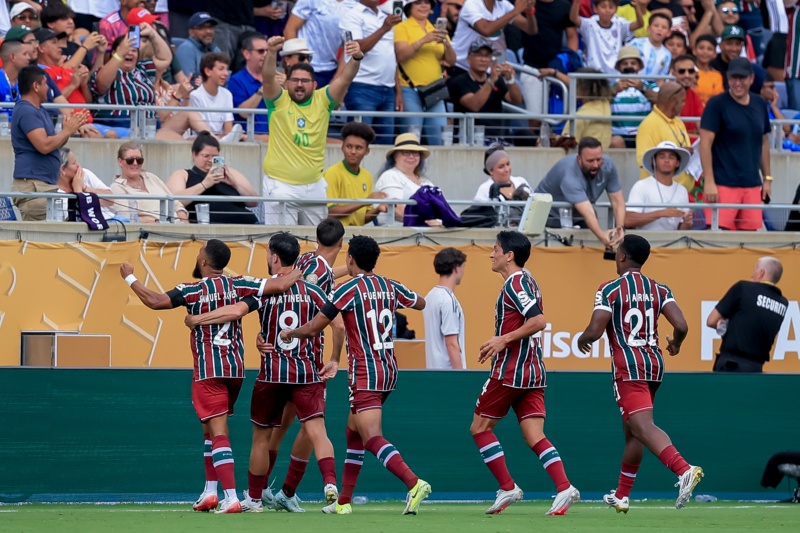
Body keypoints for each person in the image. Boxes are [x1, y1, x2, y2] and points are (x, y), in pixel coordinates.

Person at [119, 239, 300, 514]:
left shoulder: (190, 290)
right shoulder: (239, 284)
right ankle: (210, 492)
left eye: (199, 253)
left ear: (204, 261)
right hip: (235, 369)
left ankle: (231, 497)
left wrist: (129, 277)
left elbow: (154, 301)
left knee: (218, 432)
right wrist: (302, 270)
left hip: (209, 370)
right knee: (210, 430)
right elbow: (280, 284)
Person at [183, 233, 344, 513]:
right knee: (317, 431)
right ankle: (330, 484)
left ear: (274, 257)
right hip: (306, 372)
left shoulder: (263, 291)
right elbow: (339, 325)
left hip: (272, 374)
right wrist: (334, 359)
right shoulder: (314, 291)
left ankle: (254, 499)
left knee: (261, 438)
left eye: (268, 253)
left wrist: (197, 319)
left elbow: (235, 311)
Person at [280, 235, 431, 516]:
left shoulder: (347, 289)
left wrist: (291, 333)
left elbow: (315, 327)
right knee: (354, 434)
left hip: (366, 372)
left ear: (350, 259)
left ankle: (414, 483)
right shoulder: (390, 285)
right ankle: (343, 502)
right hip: (389, 370)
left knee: (372, 437)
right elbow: (420, 303)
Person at [577, 234, 703, 513]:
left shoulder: (610, 289)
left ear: (622, 256)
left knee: (643, 427)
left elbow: (595, 330)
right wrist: (676, 343)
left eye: (617, 252)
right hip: (654, 364)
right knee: (634, 431)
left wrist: (582, 339)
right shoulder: (659, 289)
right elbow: (681, 325)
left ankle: (684, 469)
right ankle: (622, 495)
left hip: (628, 366)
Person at [471, 230, 579, 516]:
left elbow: (539, 321)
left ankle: (507, 487)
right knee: (534, 435)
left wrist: (503, 340)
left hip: (511, 370)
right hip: (533, 371)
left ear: (509, 255)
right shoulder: (528, 280)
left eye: (496, 249)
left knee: (480, 428)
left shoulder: (516, 282)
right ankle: (564, 487)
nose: (491, 254)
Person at [260, 35, 363, 226]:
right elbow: (267, 78)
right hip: (281, 185)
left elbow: (345, 79)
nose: (299, 84)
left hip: (314, 186)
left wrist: (356, 58)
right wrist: (272, 52)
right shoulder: (278, 100)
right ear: (287, 83)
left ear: (314, 85)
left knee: (317, 240)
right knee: (282, 241)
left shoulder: (323, 99)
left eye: (305, 81)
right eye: (295, 80)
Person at [699, 57, 771, 231]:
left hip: (752, 184)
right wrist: (709, 181)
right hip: (723, 184)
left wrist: (767, 178)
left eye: (742, 78)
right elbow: (705, 144)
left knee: (749, 239)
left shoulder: (759, 103)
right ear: (728, 78)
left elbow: (763, 141)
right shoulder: (716, 104)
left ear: (751, 79)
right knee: (719, 238)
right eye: (734, 78)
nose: (738, 83)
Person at [11, 65, 88, 221]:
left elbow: (54, 144)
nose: (49, 88)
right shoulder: (26, 111)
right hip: (33, 187)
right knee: (71, 210)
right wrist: (66, 131)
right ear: (36, 86)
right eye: (46, 83)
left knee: (71, 213)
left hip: (45, 185)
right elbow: (44, 146)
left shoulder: (40, 110)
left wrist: (69, 129)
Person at [534, 137, 626, 248]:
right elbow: (587, 212)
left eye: (598, 159)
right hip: (550, 216)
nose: (596, 165)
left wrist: (620, 228)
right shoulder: (569, 174)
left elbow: (617, 201)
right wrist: (602, 236)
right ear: (579, 159)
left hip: (577, 214)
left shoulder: (608, 165)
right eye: (590, 161)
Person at [706, 257, 789, 372]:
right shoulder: (783, 303)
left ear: (761, 273)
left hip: (731, 366)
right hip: (756, 369)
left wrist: (723, 325)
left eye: (755, 270)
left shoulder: (743, 288)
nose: (752, 275)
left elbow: (711, 321)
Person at [340, 0, 402, 145]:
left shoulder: (384, 17)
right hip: (362, 87)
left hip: (388, 89)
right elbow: (356, 48)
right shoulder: (351, 16)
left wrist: (398, 91)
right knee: (359, 141)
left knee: (385, 143)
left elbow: (389, 56)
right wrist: (384, 29)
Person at [394, 0, 456, 145]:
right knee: (411, 139)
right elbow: (401, 56)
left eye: (427, 2)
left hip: (434, 90)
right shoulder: (401, 27)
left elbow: (451, 61)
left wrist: (447, 44)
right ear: (410, 7)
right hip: (409, 89)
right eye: (418, 3)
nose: (423, 6)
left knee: (439, 140)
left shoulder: (436, 28)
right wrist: (423, 40)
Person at [166, 132, 258, 224]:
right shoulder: (183, 174)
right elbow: (173, 202)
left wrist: (235, 184)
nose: (210, 160)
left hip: (245, 223)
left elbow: (254, 202)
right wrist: (204, 184)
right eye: (206, 156)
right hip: (206, 226)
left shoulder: (230, 173)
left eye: (215, 157)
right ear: (194, 154)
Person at [447, 39, 523, 143]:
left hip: (496, 137)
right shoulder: (459, 81)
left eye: (487, 56)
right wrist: (490, 81)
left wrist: (509, 79)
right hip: (469, 137)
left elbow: (516, 100)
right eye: (479, 55)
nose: (483, 59)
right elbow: (474, 105)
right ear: (469, 59)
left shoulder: (497, 80)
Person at [518, 0, 577, 120]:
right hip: (533, 69)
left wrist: (568, 60)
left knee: (560, 118)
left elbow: (572, 36)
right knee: (535, 120)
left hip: (557, 70)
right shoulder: (525, 2)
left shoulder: (564, 5)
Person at [325, 121, 388, 225]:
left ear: (367, 151)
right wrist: (364, 202)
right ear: (342, 147)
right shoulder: (332, 173)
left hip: (357, 232)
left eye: (358, 148)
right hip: (336, 232)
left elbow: (363, 218)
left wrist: (378, 209)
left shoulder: (367, 176)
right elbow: (330, 212)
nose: (353, 151)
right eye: (349, 146)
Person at [634, 81, 693, 191]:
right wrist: (677, 154)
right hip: (658, 193)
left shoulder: (678, 122)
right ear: (673, 101)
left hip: (680, 193)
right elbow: (644, 162)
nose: (684, 105)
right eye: (682, 101)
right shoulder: (648, 125)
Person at [110, 141, 189, 223]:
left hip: (177, 226)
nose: (135, 163)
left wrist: (186, 225)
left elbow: (176, 204)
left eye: (139, 160)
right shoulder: (117, 187)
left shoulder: (151, 177)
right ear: (120, 162)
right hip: (151, 229)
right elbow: (127, 218)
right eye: (130, 160)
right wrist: (158, 222)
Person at [285, 0, 358, 88]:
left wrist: (337, 79)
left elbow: (348, 45)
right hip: (305, 68)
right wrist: (296, 66)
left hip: (331, 70)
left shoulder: (354, 4)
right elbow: (290, 29)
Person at [450, 0, 537, 73]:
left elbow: (530, 30)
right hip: (461, 67)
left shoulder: (503, 5)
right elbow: (486, 30)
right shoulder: (472, 4)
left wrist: (529, 11)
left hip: (485, 69)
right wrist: (516, 10)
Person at [626, 141, 693, 230]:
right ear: (654, 161)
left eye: (671, 157)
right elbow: (627, 220)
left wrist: (687, 222)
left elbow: (682, 229)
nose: (667, 160)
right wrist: (661, 213)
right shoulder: (641, 186)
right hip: (646, 238)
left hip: (673, 239)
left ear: (677, 163)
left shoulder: (682, 190)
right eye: (662, 157)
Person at [374, 132, 435, 225]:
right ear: (395, 156)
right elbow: (395, 208)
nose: (411, 156)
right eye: (406, 152)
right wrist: (427, 222)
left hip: (428, 230)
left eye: (415, 153)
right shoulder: (390, 176)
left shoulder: (425, 181)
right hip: (400, 231)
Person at [570, 0, 644, 75]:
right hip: (593, 72)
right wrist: (576, 2)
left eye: (611, 7)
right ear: (595, 8)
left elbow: (639, 24)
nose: (607, 10)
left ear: (616, 9)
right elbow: (573, 19)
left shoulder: (620, 24)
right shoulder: (589, 24)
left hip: (615, 73)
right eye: (603, 7)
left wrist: (637, 8)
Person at [423, 247, 467, 370]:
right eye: (463, 267)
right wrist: (461, 376)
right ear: (456, 268)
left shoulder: (429, 297)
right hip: (449, 374)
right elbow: (452, 344)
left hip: (433, 372)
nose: (463, 272)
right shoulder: (448, 300)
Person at [609, 46, 656, 148]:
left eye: (633, 63)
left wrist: (643, 88)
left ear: (639, 66)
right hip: (617, 135)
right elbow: (599, 104)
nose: (629, 66)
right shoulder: (611, 87)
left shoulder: (650, 85)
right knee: (615, 141)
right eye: (625, 63)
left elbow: (662, 102)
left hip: (644, 133)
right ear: (619, 67)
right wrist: (615, 90)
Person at [57, 146, 116, 222]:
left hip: (112, 218)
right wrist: (78, 190)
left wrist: (85, 188)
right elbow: (79, 219)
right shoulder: (57, 193)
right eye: (74, 163)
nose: (78, 165)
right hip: (92, 224)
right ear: (63, 170)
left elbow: (110, 200)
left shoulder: (85, 174)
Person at [229, 33, 269, 139]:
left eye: (267, 51)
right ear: (247, 54)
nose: (265, 55)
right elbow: (244, 113)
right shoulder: (236, 80)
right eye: (261, 51)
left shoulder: (275, 77)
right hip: (250, 140)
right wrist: (262, 90)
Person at [189, 52, 238, 138]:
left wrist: (226, 136)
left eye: (227, 69)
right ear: (208, 71)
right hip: (201, 140)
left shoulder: (227, 94)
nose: (226, 73)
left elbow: (228, 129)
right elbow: (202, 131)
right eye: (221, 69)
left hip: (223, 140)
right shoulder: (195, 96)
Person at [711, 25, 766, 93]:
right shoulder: (711, 66)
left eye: (737, 44)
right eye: (729, 44)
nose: (734, 49)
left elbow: (767, 80)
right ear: (720, 45)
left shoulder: (747, 66)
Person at [175, 12, 221, 85]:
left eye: (210, 27)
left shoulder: (216, 50)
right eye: (202, 28)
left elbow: (222, 79)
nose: (208, 31)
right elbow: (190, 83)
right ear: (191, 32)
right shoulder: (186, 49)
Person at [669, 54, 704, 139]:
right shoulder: (667, 96)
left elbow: (702, 128)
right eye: (682, 71)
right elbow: (670, 134)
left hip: (690, 143)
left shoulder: (694, 95)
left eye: (691, 71)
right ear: (673, 73)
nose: (687, 75)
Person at [630, 11, 673, 77]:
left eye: (664, 27)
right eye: (656, 26)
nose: (659, 29)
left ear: (668, 33)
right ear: (648, 28)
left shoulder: (667, 55)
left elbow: (662, 77)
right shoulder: (635, 44)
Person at [693, 34, 724, 105]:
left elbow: (718, 99)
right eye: (701, 48)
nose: (705, 52)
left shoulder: (717, 76)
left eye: (709, 49)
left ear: (714, 54)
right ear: (694, 50)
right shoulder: (687, 71)